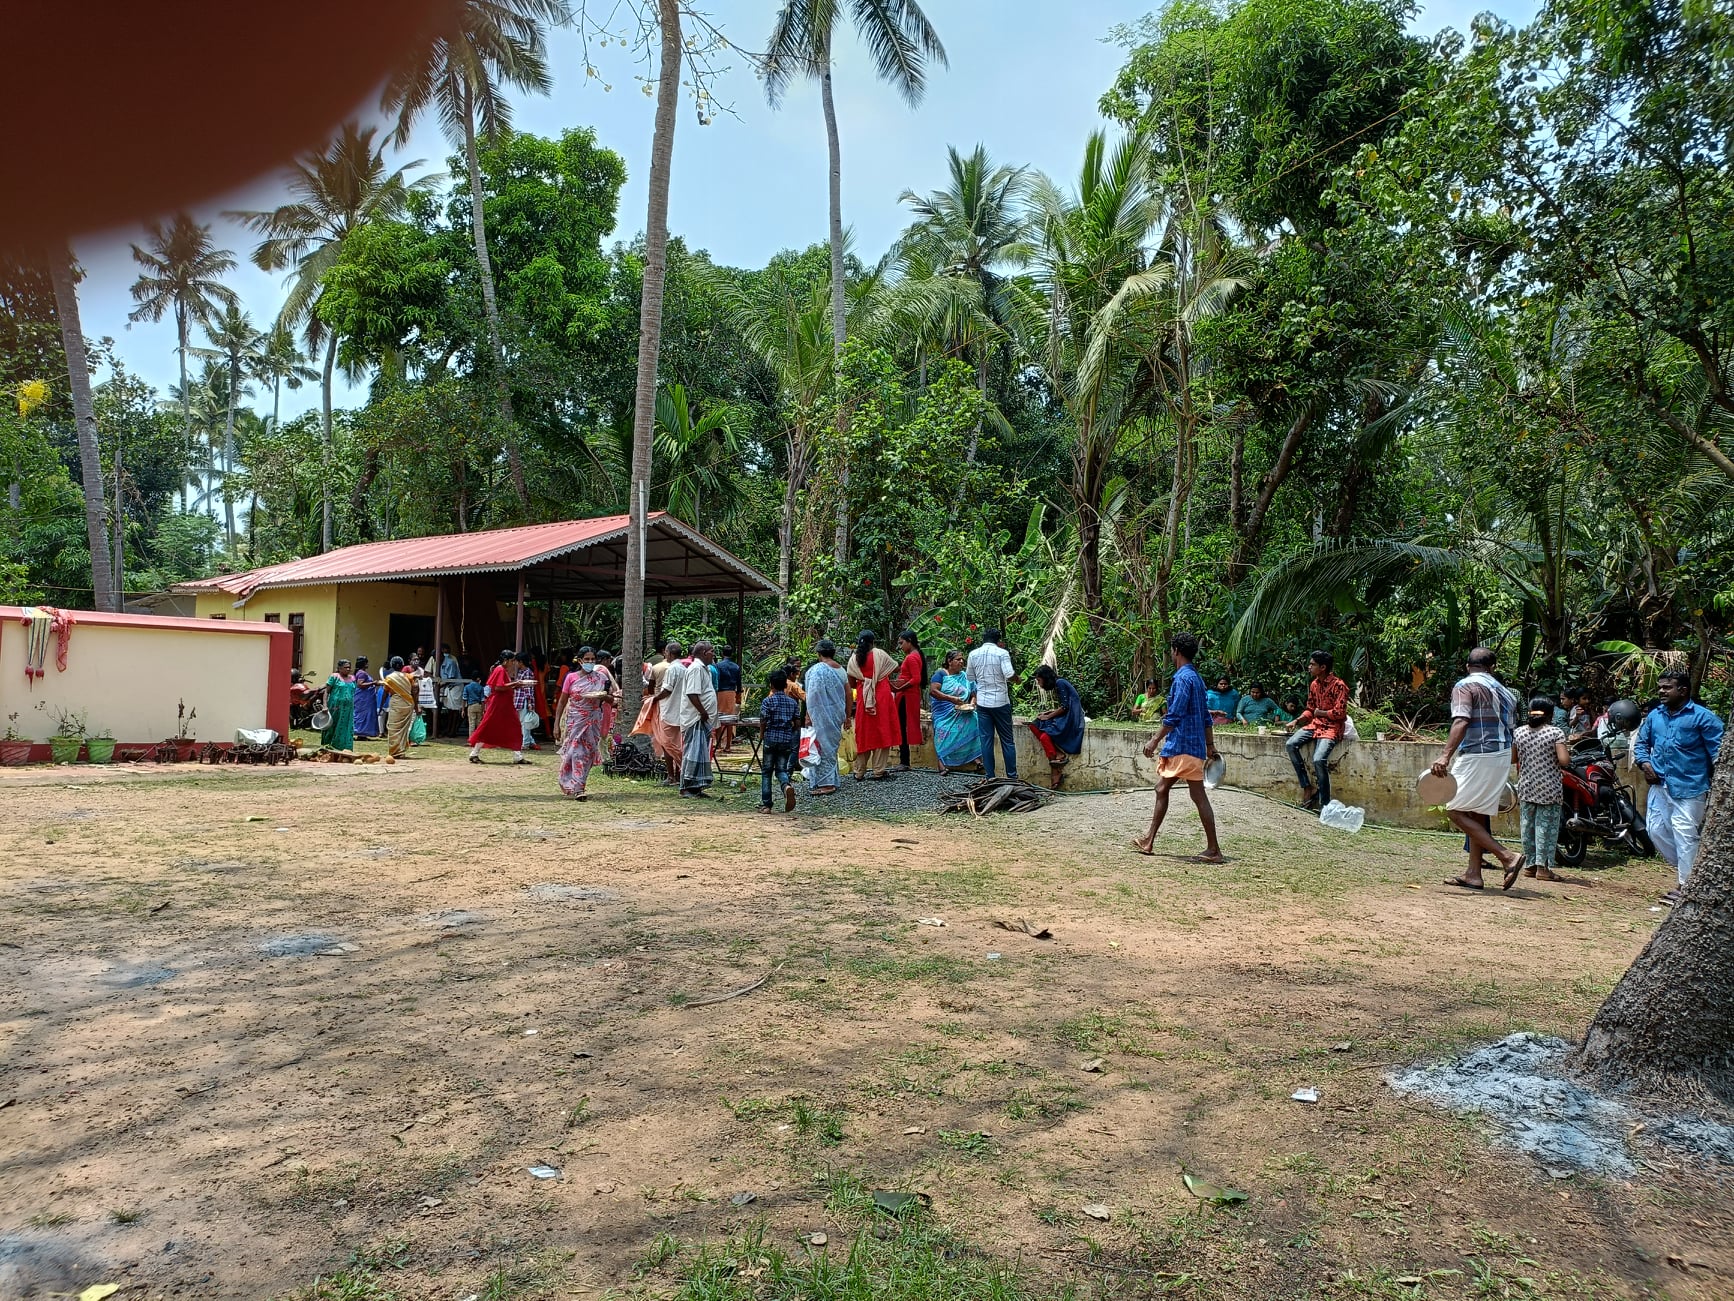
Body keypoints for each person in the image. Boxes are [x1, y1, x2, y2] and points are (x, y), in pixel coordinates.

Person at [1434, 646, 1526, 890]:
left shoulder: (1465, 685)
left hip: (1478, 752)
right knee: (1477, 811)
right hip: (1502, 753)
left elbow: (1461, 720)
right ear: (1492, 667)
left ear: (1468, 666)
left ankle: (1506, 856)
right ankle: (1473, 873)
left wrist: (1445, 756)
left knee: (1455, 810)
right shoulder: (1507, 692)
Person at [1634, 669, 1725, 904]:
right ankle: (1696, 874)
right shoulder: (1655, 716)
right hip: (1659, 786)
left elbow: (1719, 755)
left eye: (1667, 687)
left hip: (1690, 787)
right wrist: (1645, 764)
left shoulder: (1704, 718)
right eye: (1660, 687)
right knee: (1656, 831)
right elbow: (1642, 744)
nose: (1661, 691)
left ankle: (1686, 887)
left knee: (1685, 834)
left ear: (1683, 690)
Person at [1135, 632, 1223, 862]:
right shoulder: (1196, 678)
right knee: (1165, 789)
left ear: (1175, 651)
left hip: (1183, 745)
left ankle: (1213, 850)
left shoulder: (1183, 679)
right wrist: (1210, 745)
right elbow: (1205, 717)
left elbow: (1174, 715)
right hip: (1190, 746)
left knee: (1191, 794)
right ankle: (1149, 840)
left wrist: (1154, 740)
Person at [1513, 695, 1570, 883]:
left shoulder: (1519, 732)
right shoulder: (1555, 733)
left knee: (1527, 827)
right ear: (1550, 714)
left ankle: (1529, 866)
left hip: (1526, 786)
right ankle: (1543, 868)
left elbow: (1513, 759)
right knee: (1546, 827)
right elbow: (1564, 761)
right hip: (1549, 787)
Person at [1285, 651, 1348, 810]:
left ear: (1323, 667)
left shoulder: (1339, 685)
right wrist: (1297, 720)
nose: (1309, 667)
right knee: (1291, 744)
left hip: (1332, 727)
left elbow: (1340, 713)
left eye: (1312, 664)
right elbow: (1310, 709)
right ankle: (1307, 786)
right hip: (1315, 725)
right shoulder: (1314, 684)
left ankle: (1324, 804)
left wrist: (1321, 713)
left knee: (1319, 759)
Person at [555, 647, 612, 801]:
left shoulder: (601, 677)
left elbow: (611, 700)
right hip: (575, 719)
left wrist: (605, 697)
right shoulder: (571, 678)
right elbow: (562, 701)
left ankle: (579, 784)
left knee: (588, 753)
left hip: (593, 720)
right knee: (575, 751)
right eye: (586, 659)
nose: (590, 662)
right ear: (580, 660)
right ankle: (578, 788)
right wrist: (556, 723)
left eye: (592, 659)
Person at [846, 631, 900, 781]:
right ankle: (878, 770)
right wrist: (879, 674)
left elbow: (851, 684)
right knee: (883, 731)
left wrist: (864, 679)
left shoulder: (853, 660)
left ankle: (859, 771)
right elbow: (895, 668)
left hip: (864, 699)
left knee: (864, 733)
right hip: (881, 696)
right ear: (873, 642)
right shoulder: (880, 654)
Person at [966, 629, 1018, 781]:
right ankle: (1012, 777)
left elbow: (970, 677)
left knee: (986, 740)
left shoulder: (973, 654)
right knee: (1007, 740)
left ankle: (990, 777)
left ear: (983, 639)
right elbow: (1009, 675)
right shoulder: (1002, 653)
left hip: (983, 703)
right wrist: (1017, 679)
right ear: (998, 640)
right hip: (1001, 701)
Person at [633, 641, 685, 783]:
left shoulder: (672, 669)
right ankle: (679, 773)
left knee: (667, 743)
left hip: (668, 710)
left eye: (666, 652)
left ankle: (673, 775)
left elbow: (667, 690)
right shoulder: (683, 668)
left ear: (669, 653)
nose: (665, 655)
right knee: (675, 743)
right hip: (679, 711)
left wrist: (653, 699)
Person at [672, 640, 718, 798]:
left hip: (702, 719)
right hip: (695, 718)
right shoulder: (696, 669)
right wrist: (702, 711)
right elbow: (692, 693)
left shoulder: (705, 669)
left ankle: (697, 787)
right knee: (692, 753)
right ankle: (686, 788)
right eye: (712, 651)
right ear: (704, 653)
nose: (714, 654)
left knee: (700, 753)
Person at [1030, 664, 1086, 789]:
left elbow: (1066, 708)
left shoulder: (1060, 683)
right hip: (1067, 715)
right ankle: (1058, 754)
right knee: (1034, 725)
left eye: (1039, 680)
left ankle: (1055, 772)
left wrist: (1049, 716)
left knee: (1044, 736)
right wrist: (1049, 713)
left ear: (1045, 678)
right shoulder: (1059, 684)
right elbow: (1064, 706)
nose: (1039, 684)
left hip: (1071, 719)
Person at [804, 639, 848, 796]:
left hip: (821, 715)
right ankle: (830, 779)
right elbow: (848, 694)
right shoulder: (841, 670)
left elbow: (813, 695)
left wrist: (808, 714)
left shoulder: (816, 671)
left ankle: (827, 783)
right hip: (836, 714)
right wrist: (847, 716)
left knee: (823, 748)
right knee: (829, 748)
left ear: (818, 654)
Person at [469, 650, 528, 765]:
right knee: (488, 726)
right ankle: (474, 753)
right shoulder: (500, 670)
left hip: (505, 704)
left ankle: (517, 755)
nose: (513, 663)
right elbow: (498, 687)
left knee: (514, 726)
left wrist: (514, 685)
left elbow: (503, 687)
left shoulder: (502, 670)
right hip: (498, 704)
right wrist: (515, 683)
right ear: (506, 661)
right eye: (511, 661)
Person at [757, 669, 802, 813]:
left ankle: (767, 805)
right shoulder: (792, 703)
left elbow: (763, 720)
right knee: (781, 769)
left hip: (771, 737)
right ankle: (786, 785)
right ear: (785, 685)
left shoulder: (767, 701)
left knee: (766, 771)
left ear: (771, 685)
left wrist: (762, 734)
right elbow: (797, 722)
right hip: (786, 739)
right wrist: (792, 733)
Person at [928, 649, 980, 773]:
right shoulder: (941, 674)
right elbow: (933, 691)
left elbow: (974, 694)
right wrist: (951, 699)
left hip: (963, 710)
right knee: (942, 730)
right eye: (958, 659)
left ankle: (977, 760)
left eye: (962, 659)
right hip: (943, 712)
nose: (961, 662)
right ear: (949, 661)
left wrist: (972, 704)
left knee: (976, 721)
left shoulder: (966, 676)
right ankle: (941, 763)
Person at [890, 629, 928, 772]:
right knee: (904, 726)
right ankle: (904, 760)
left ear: (909, 641)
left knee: (902, 727)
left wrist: (899, 688)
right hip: (909, 695)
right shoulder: (916, 655)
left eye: (901, 643)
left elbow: (915, 679)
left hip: (906, 696)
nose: (900, 646)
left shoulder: (911, 657)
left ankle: (904, 761)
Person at [381, 656, 419, 759]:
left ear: (392, 666)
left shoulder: (389, 678)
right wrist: (416, 707)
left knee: (393, 728)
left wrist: (380, 706)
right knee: (403, 730)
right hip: (408, 704)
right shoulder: (409, 677)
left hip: (396, 704)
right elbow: (415, 691)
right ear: (403, 665)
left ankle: (394, 752)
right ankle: (400, 751)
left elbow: (385, 694)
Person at [712, 644, 742, 753]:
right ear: (732, 654)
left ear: (722, 654)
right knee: (730, 720)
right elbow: (739, 684)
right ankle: (728, 745)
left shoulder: (718, 666)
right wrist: (738, 696)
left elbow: (716, 680)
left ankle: (719, 743)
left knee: (718, 718)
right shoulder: (736, 667)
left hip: (719, 692)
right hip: (731, 693)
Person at [321, 660, 356, 751]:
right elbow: (326, 692)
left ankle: (344, 748)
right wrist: (325, 705)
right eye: (345, 667)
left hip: (348, 709)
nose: (348, 669)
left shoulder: (352, 678)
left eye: (349, 667)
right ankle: (328, 748)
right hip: (335, 707)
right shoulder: (334, 677)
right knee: (332, 726)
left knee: (346, 727)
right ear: (339, 668)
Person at [352, 656, 380, 739]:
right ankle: (360, 732)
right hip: (363, 698)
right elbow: (360, 684)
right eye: (366, 662)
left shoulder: (361, 672)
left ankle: (363, 734)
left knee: (365, 715)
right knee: (362, 715)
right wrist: (373, 683)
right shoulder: (362, 673)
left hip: (365, 698)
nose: (368, 664)